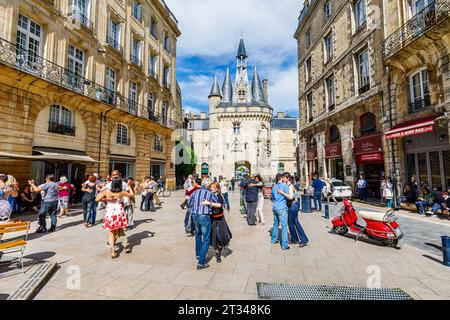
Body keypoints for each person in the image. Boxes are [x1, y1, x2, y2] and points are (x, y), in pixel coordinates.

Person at [96, 178, 134, 258]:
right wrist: (129, 185)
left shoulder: (106, 191)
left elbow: (97, 198)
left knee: (111, 232)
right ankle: (113, 248)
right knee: (116, 232)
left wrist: (108, 199)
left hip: (110, 211)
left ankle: (112, 250)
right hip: (118, 211)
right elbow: (131, 194)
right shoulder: (121, 192)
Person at [188, 178, 218, 270]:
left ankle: (198, 254)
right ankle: (201, 263)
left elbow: (189, 203)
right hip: (204, 216)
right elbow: (216, 202)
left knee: (197, 234)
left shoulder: (195, 192)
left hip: (195, 216)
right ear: (208, 185)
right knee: (206, 238)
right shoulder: (210, 193)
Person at [208, 182, 232, 263]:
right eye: (211, 187)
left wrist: (209, 203)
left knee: (221, 237)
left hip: (220, 219)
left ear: (217, 189)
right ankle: (218, 254)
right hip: (212, 220)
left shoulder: (219, 196)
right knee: (214, 239)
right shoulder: (209, 196)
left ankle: (220, 248)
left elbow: (219, 205)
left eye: (213, 187)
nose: (211, 188)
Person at [271, 173, 294, 250]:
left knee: (275, 224)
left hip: (275, 207)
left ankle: (273, 239)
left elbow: (272, 197)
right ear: (281, 178)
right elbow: (290, 196)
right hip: (282, 207)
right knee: (284, 226)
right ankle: (284, 245)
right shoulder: (284, 186)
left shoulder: (274, 186)